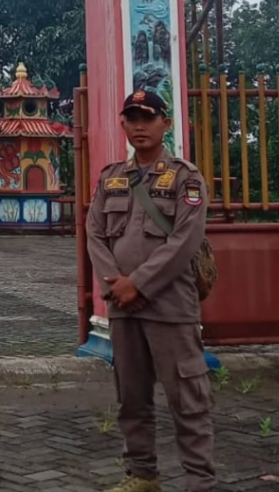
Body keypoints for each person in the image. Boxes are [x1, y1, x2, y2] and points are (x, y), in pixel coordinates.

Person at [86, 90, 215, 492]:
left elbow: (185, 240)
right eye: (133, 118)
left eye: (149, 117)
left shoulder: (185, 178)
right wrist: (115, 284)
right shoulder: (111, 177)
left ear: (166, 124)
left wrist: (137, 283)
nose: (140, 125)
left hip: (170, 306)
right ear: (123, 124)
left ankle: (199, 481)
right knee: (132, 397)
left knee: (187, 398)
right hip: (123, 308)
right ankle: (142, 475)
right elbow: (94, 234)